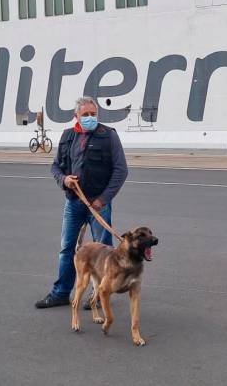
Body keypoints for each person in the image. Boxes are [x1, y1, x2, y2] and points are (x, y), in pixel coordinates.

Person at [35, 96, 129, 309]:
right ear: (76, 116)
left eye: (93, 114)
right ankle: (60, 293)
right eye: (85, 115)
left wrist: (103, 199)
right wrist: (65, 180)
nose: (89, 118)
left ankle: (98, 294)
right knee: (67, 249)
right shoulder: (68, 136)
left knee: (104, 250)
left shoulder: (109, 136)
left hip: (98, 206)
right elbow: (56, 167)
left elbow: (121, 171)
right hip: (74, 203)